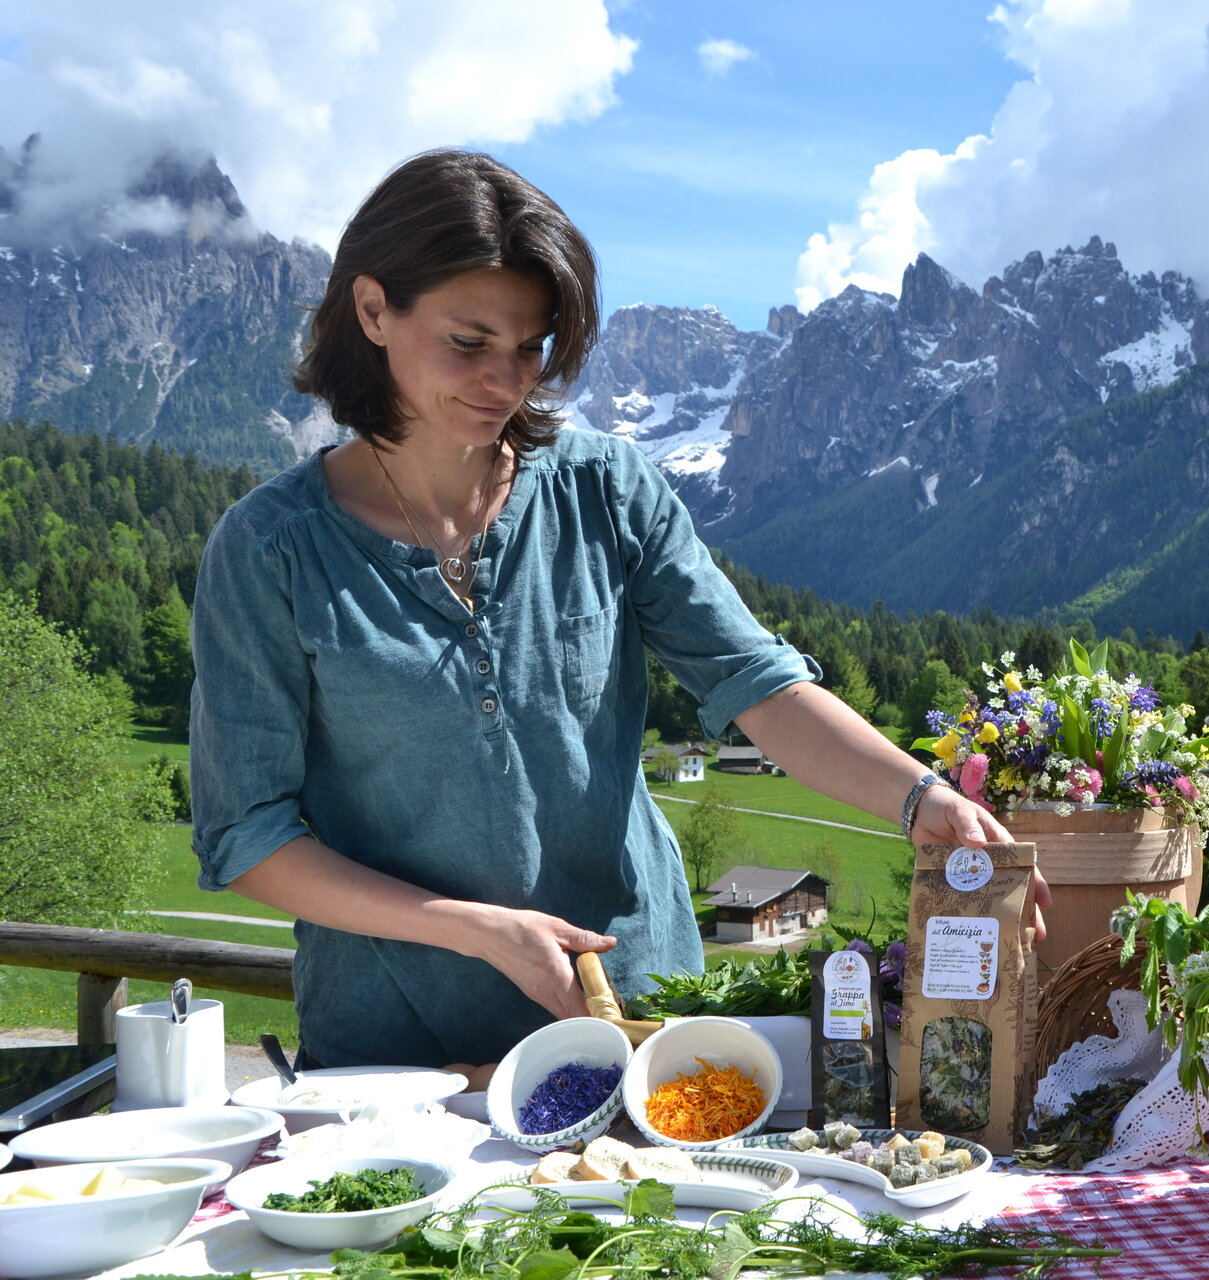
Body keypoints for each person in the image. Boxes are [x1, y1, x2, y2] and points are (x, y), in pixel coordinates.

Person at [190, 149, 1043, 1071]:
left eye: (531, 349)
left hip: (637, 1009)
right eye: (468, 343)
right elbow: (249, 834)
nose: (505, 381)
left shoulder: (607, 489)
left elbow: (755, 682)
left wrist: (920, 798)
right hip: (397, 1053)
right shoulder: (270, 548)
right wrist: (477, 931)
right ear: (371, 311)